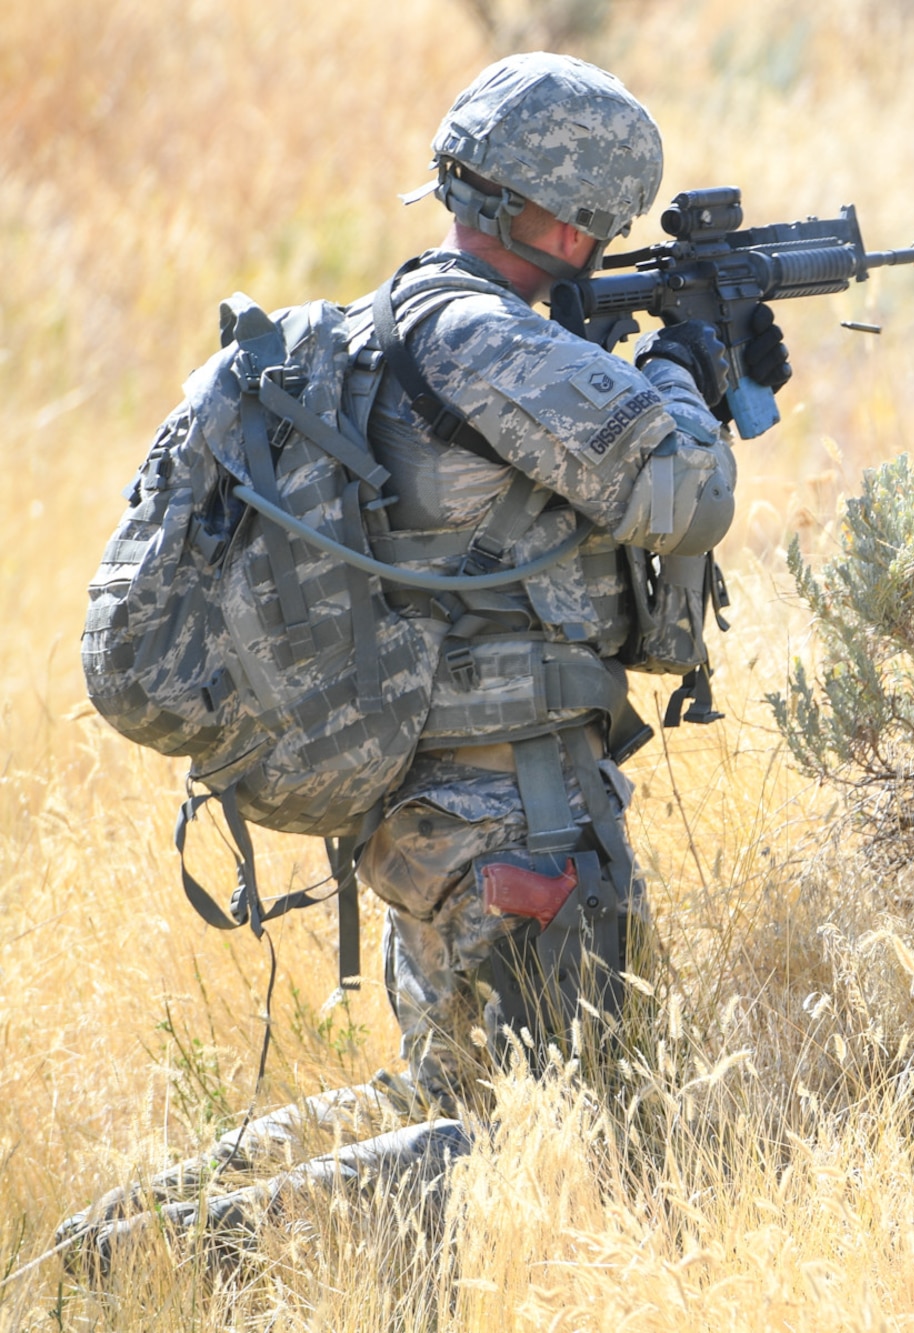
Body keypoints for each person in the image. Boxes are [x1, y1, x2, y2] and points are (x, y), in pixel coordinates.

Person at [55, 51, 786, 1271]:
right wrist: (681, 369)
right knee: (555, 1137)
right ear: (560, 215)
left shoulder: (403, 321)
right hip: (521, 810)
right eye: (597, 222)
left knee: (453, 1095)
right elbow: (676, 488)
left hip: (445, 804)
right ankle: (169, 1262)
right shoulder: (482, 339)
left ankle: (119, 1245)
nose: (603, 242)